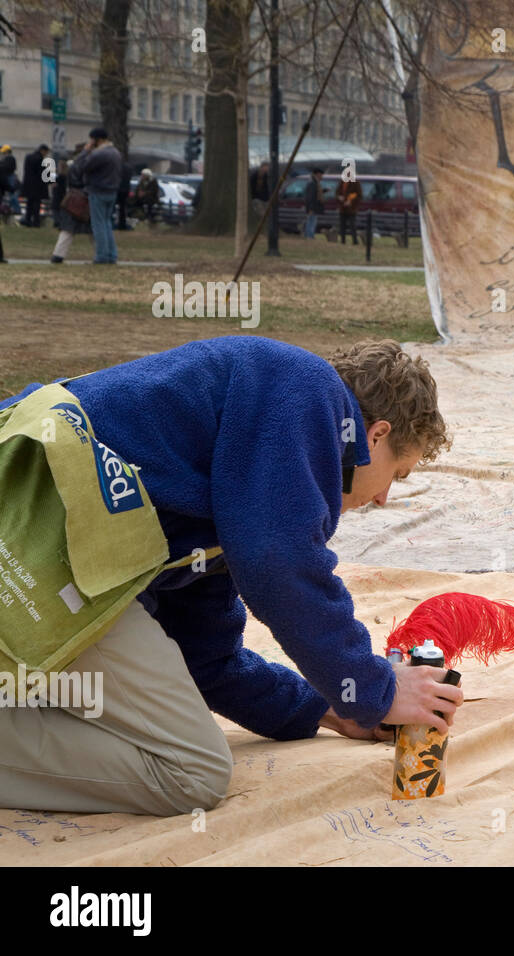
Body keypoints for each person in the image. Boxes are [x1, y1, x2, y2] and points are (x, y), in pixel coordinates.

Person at [0, 338, 460, 816]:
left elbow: (206, 656)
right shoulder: (307, 391)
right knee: (190, 772)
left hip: (38, 533)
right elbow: (280, 562)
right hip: (30, 540)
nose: (384, 497)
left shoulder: (225, 480)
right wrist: (376, 689)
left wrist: (331, 709)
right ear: (376, 436)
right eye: (397, 474)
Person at [73, 127, 123, 265]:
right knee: (107, 224)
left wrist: (85, 151)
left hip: (98, 190)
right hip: (111, 191)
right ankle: (111, 255)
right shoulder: (115, 152)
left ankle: (101, 256)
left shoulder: (100, 154)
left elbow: (80, 166)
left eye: (92, 139)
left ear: (97, 139)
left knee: (98, 225)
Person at [50, 143, 92, 263]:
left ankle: (58, 255)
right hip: (84, 199)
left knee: (68, 230)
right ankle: (100, 254)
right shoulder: (85, 165)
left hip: (72, 199)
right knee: (93, 230)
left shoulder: (73, 165)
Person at [20, 143, 50, 227]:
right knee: (36, 204)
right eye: (46, 152)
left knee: (29, 204)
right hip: (37, 186)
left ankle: (27, 220)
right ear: (43, 151)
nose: (46, 154)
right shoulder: (40, 159)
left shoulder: (28, 157)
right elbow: (42, 173)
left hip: (28, 185)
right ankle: (36, 222)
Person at [337, 175, 362, 245]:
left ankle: (355, 241)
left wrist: (351, 201)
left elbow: (359, 195)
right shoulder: (342, 182)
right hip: (343, 208)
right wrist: (339, 197)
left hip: (351, 209)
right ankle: (343, 240)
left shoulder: (356, 182)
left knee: (352, 226)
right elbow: (337, 192)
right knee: (342, 226)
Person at [304, 167, 325, 239]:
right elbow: (311, 197)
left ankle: (310, 235)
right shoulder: (312, 183)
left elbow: (316, 193)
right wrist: (311, 208)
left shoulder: (315, 183)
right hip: (312, 207)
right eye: (321, 174)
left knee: (312, 221)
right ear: (317, 174)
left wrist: (324, 191)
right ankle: (309, 236)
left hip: (314, 206)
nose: (322, 176)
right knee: (311, 222)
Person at [0, 145, 17, 218]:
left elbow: (7, 167)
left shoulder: (9, 158)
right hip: (8, 177)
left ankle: (15, 209)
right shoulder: (8, 158)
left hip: (9, 177)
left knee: (11, 194)